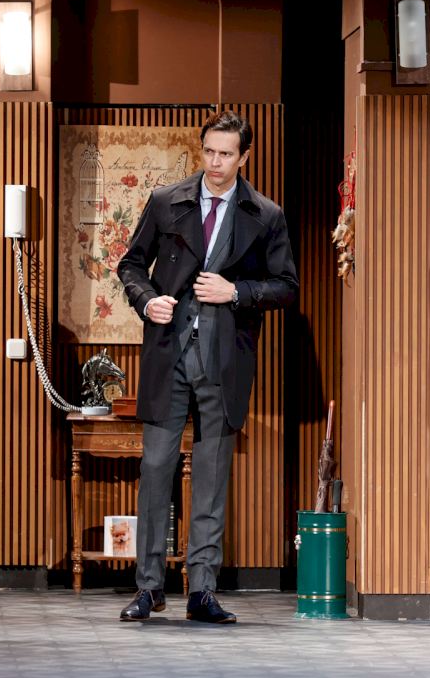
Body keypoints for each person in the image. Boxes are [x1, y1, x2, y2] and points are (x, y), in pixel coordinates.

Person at [116, 111, 297, 623]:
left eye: (226, 154)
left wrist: (236, 291)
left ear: (244, 157)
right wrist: (147, 299)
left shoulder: (265, 214)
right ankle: (149, 587)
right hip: (168, 353)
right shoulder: (166, 201)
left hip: (224, 360)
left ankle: (202, 590)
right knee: (156, 469)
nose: (215, 163)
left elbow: (286, 287)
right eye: (209, 152)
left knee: (213, 475)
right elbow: (131, 265)